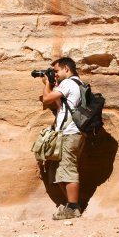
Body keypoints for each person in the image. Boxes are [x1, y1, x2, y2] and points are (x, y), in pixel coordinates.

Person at [41, 57, 85, 220]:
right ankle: (69, 205)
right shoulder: (78, 84)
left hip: (70, 133)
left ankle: (73, 207)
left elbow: (46, 99)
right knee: (58, 169)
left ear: (66, 68)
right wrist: (52, 84)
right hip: (72, 133)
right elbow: (62, 106)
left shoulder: (68, 83)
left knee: (68, 168)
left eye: (57, 71)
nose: (55, 74)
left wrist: (47, 84)